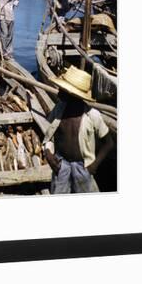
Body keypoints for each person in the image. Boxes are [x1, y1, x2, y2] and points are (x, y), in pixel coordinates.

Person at [43, 65, 115, 193]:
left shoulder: (92, 115)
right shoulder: (59, 109)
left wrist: (94, 165)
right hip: (61, 164)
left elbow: (109, 143)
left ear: (72, 94)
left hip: (83, 166)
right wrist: (48, 153)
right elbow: (49, 136)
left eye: (62, 89)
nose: (58, 91)